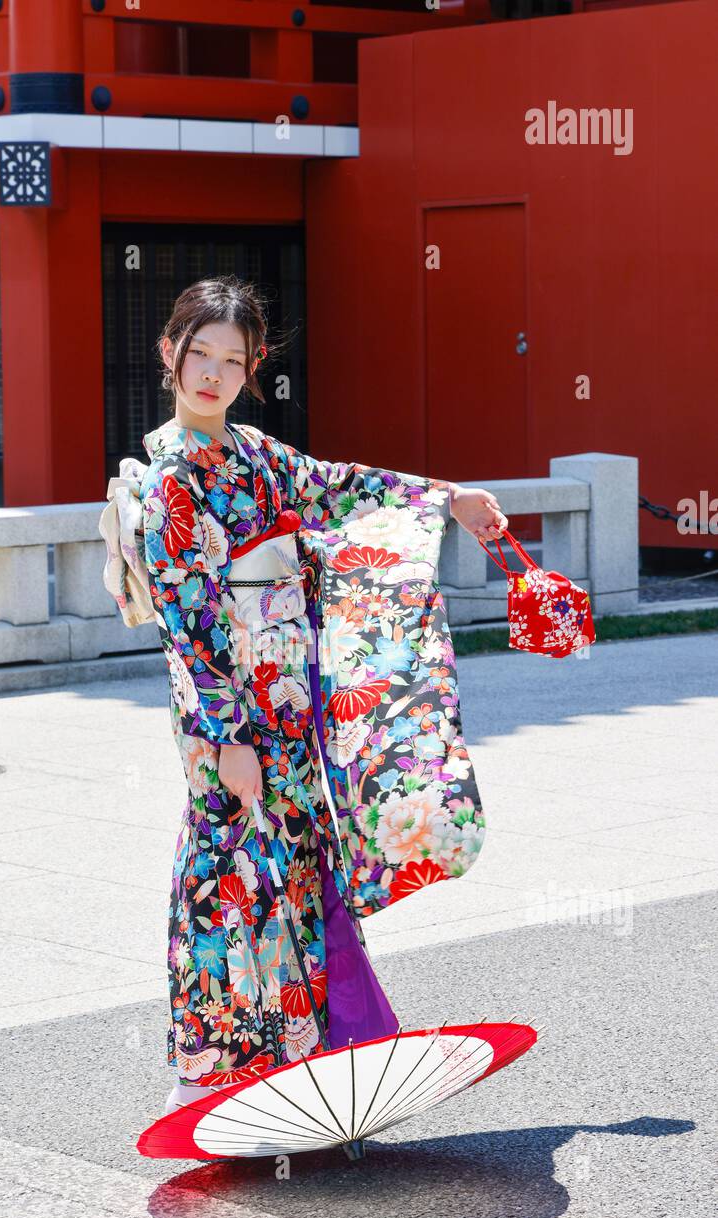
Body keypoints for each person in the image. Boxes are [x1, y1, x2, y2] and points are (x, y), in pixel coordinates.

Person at [137, 276, 507, 1116]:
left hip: (292, 697)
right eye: (200, 354)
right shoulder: (168, 481)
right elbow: (186, 624)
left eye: (233, 360)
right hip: (226, 706)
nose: (213, 374)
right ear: (170, 352)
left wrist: (448, 498)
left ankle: (310, 1052)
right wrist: (223, 733)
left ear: (252, 367)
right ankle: (215, 1068)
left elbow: (342, 487)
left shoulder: (258, 456)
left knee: (299, 863)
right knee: (225, 869)